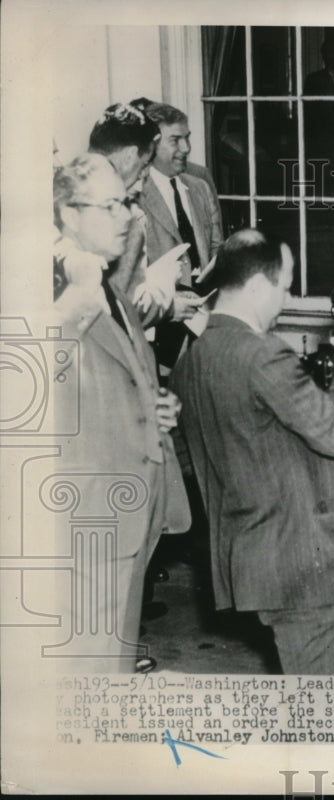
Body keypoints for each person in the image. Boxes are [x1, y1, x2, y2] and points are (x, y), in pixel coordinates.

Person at [171, 229, 334, 675]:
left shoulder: (194, 358)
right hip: (300, 561)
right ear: (259, 287)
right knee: (326, 715)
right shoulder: (262, 354)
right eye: (284, 288)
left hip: (255, 557)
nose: (284, 300)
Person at [52, 153, 190, 672]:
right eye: (110, 206)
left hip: (134, 513)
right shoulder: (56, 291)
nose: (128, 216)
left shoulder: (111, 286)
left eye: (127, 202)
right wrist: (79, 290)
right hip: (90, 522)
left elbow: (122, 372)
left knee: (114, 667)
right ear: (68, 215)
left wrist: (152, 404)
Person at [139, 101, 224, 372]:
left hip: (205, 328)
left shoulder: (199, 187)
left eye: (187, 138)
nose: (186, 148)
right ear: (151, 145)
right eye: (175, 140)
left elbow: (216, 249)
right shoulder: (136, 194)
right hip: (160, 332)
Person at [88, 102, 184, 327]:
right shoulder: (125, 217)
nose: (140, 185)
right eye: (143, 168)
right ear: (131, 156)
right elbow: (127, 308)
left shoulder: (58, 193)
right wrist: (164, 284)